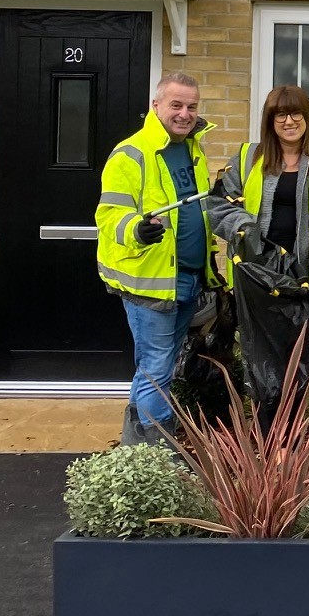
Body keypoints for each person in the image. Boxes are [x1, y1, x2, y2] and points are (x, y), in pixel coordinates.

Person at [94, 71, 218, 446]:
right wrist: (136, 229)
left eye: (191, 106)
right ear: (156, 106)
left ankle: (137, 453)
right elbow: (109, 215)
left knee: (157, 368)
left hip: (188, 276)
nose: (184, 114)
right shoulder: (131, 153)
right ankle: (157, 449)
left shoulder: (194, 149)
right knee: (157, 367)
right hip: (151, 280)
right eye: (176, 105)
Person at [208, 85, 309, 423]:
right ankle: (268, 445)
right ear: (270, 120)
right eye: (280, 114)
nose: (289, 121)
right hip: (256, 277)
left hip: (302, 279)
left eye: (296, 113)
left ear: (308, 118)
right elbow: (217, 205)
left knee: (298, 360)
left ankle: (291, 443)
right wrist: (245, 229)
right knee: (261, 361)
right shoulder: (249, 157)